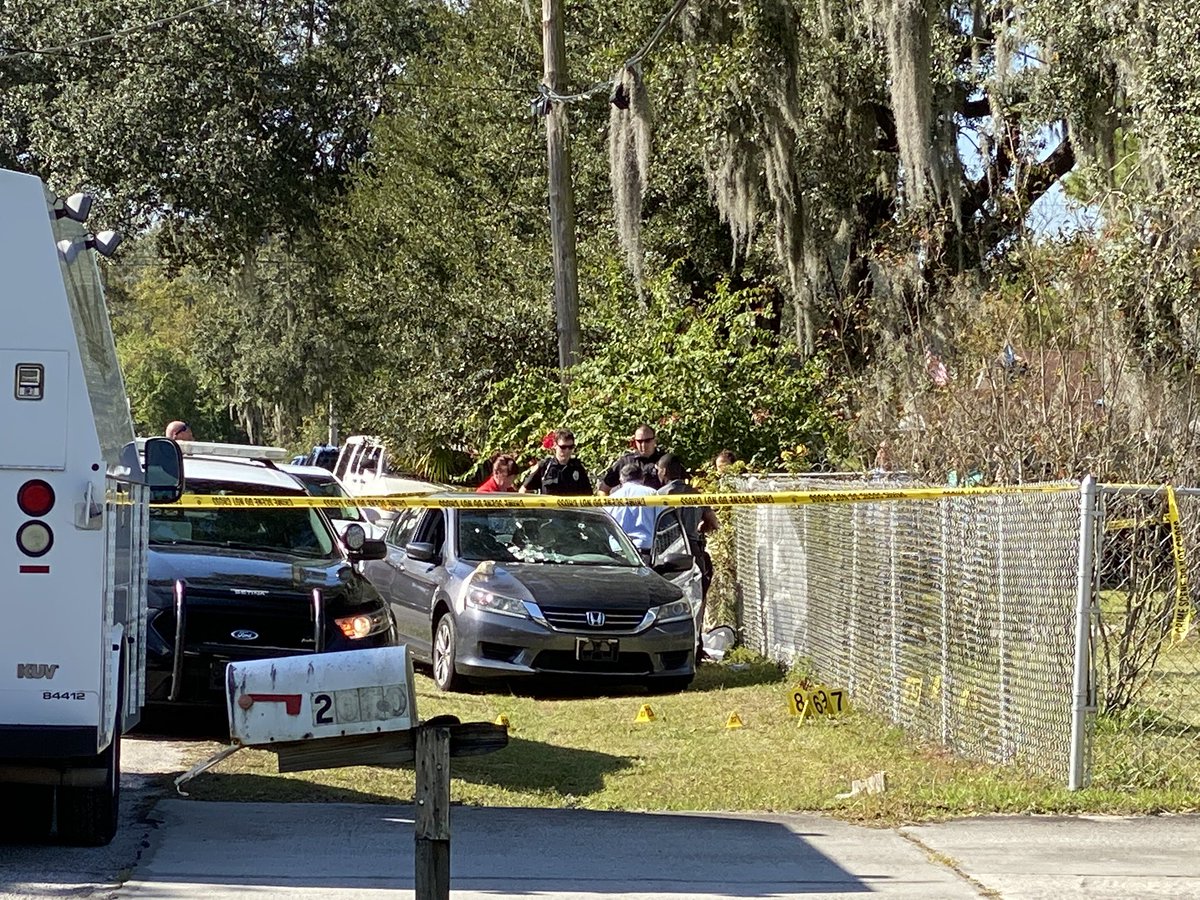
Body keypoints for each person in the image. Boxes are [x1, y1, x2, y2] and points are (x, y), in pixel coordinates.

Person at [657, 451, 719, 601]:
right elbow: (714, 523)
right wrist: (699, 528)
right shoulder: (696, 494)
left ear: (664, 471)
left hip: (668, 553)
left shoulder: (658, 496)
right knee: (697, 596)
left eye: (658, 469)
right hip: (693, 551)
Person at [604, 462, 660, 562]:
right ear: (643, 478)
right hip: (644, 551)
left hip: (618, 552)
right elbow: (662, 520)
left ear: (621, 479)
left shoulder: (612, 498)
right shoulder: (653, 494)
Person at [519, 428, 592, 495]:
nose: (567, 451)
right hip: (549, 509)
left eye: (570, 447)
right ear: (555, 446)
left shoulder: (578, 468)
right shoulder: (544, 466)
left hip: (572, 509)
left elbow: (588, 495)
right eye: (563, 447)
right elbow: (523, 491)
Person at [598, 424, 665, 495]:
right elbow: (603, 490)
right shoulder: (625, 461)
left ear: (655, 440)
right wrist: (607, 505)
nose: (643, 445)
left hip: (657, 504)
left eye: (647, 441)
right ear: (635, 442)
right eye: (639, 441)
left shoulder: (665, 461)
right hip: (631, 505)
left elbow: (674, 487)